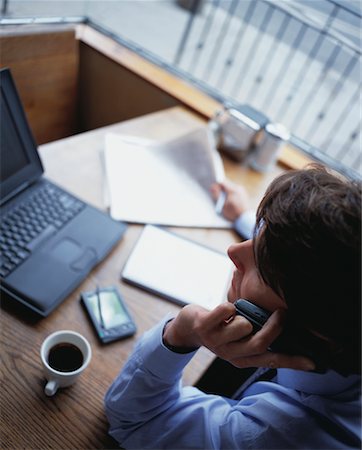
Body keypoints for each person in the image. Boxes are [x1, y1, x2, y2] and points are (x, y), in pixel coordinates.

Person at [104, 164, 361, 449]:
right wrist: (243, 219)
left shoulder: (273, 436)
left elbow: (134, 421)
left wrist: (180, 334)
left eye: (264, 265)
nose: (234, 251)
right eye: (259, 235)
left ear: (314, 329)